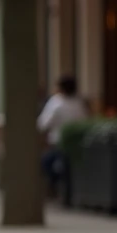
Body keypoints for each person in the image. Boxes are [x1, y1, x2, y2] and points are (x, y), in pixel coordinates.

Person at [38, 74, 88, 204]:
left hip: (58, 144)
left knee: (45, 163)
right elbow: (84, 121)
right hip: (77, 144)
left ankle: (53, 189)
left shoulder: (55, 103)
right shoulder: (79, 103)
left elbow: (43, 123)